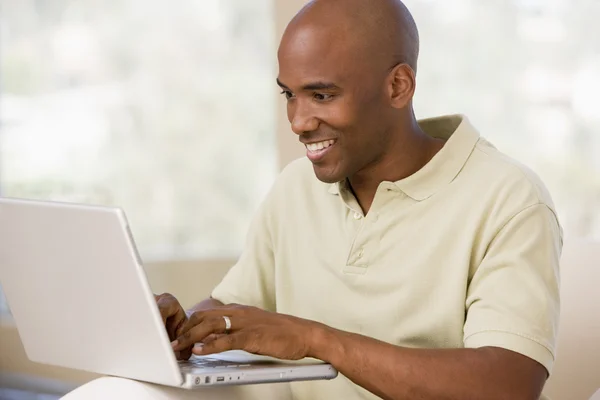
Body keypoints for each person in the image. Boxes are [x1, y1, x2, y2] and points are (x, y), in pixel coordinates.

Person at [158, 0, 562, 399]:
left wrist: (315, 340)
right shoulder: (295, 187)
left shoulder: (510, 199)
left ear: (398, 86)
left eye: (322, 96)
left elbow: (508, 385)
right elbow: (234, 308)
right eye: (289, 96)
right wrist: (181, 329)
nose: (298, 122)